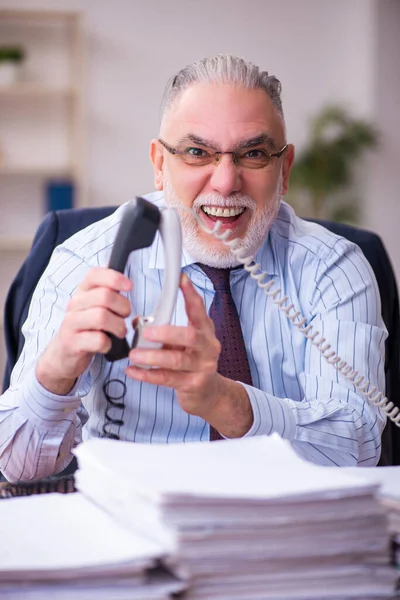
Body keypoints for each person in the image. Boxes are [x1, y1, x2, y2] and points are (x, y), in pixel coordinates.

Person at [0, 54, 386, 482]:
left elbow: (359, 450)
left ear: (285, 168)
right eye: (197, 152)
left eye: (254, 153)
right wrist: (55, 372)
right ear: (160, 165)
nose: (225, 181)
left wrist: (226, 402)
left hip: (287, 528)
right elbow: (18, 471)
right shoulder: (85, 260)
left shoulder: (336, 268)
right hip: (133, 526)